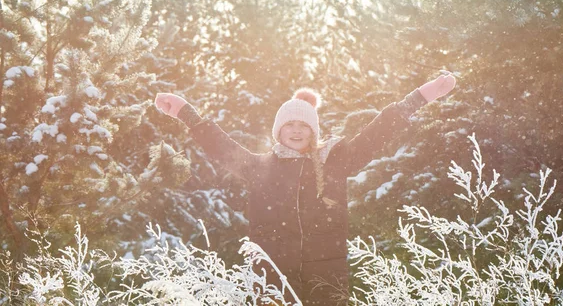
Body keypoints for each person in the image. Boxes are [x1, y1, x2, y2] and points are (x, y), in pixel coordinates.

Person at [154, 74, 456, 305]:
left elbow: (375, 135)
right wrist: (186, 113)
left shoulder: (334, 161)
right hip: (272, 273)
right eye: (289, 124)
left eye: (304, 125)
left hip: (326, 272)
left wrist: (419, 98)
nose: (297, 130)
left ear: (314, 131)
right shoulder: (260, 167)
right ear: (278, 131)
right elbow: (221, 147)